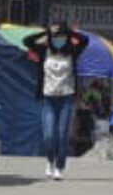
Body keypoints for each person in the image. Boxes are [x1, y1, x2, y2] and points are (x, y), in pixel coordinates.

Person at [23, 21, 89, 180]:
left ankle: (60, 167)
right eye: (55, 37)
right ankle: (50, 160)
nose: (58, 39)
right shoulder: (44, 50)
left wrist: (69, 32)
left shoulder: (72, 52)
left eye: (61, 36)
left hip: (66, 98)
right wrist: (46, 31)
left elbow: (85, 41)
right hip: (48, 98)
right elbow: (27, 41)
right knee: (48, 135)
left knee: (62, 135)